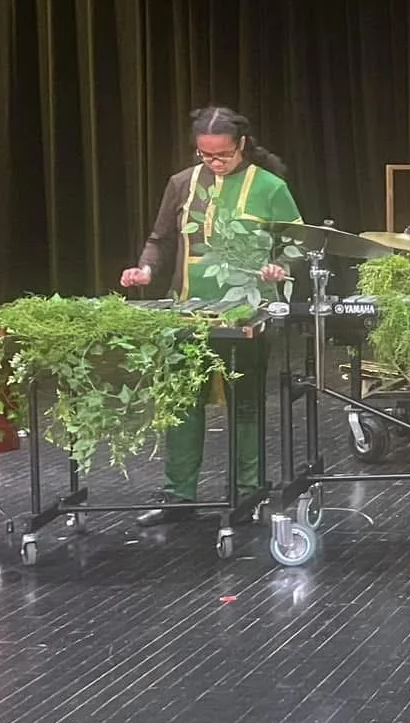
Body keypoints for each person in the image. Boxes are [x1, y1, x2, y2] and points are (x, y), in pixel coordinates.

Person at [120, 106, 301, 522]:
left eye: (222, 155)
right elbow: (160, 239)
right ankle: (179, 493)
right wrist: (145, 269)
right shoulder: (183, 183)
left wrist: (281, 266)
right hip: (188, 311)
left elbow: (296, 244)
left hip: (247, 312)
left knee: (246, 402)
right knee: (183, 402)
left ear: (241, 145)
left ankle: (248, 492)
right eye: (206, 155)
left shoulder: (269, 187)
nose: (215, 163)